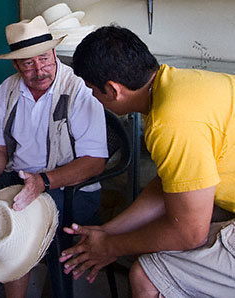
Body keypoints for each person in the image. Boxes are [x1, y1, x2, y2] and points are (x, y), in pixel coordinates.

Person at [0, 16, 108, 298]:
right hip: (18, 179)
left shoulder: (79, 88)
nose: (39, 70)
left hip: (71, 189)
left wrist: (43, 182)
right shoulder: (8, 89)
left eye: (44, 59)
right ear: (15, 64)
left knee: (14, 223)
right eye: (28, 63)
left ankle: (9, 286)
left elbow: (94, 162)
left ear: (54, 53)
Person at [61, 25, 235, 298]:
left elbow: (190, 233)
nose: (94, 98)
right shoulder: (176, 84)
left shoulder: (171, 121)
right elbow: (169, 184)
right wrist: (109, 232)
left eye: (93, 90)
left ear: (113, 89)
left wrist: (112, 247)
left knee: (145, 275)